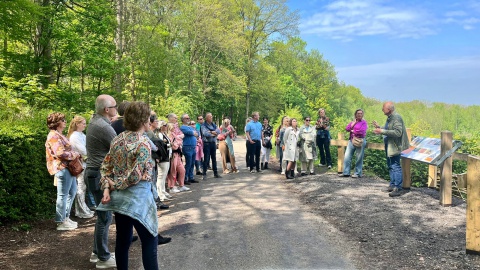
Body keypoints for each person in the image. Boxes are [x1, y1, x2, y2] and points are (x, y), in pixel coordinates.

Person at [97, 101, 159, 270]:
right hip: (138, 199)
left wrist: (107, 187)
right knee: (150, 240)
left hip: (120, 201)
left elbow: (105, 167)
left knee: (123, 241)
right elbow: (135, 176)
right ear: (143, 120)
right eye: (148, 117)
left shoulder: (117, 139)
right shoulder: (143, 142)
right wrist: (115, 185)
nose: (150, 120)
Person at [85, 94, 117, 268]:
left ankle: (97, 252)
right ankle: (103, 258)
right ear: (107, 109)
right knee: (104, 217)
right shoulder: (103, 126)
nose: (116, 109)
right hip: (99, 175)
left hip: (94, 173)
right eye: (115, 106)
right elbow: (119, 149)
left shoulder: (97, 122)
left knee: (102, 217)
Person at [45, 112, 80, 231]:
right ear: (56, 123)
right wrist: (74, 154)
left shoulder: (59, 134)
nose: (65, 122)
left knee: (72, 191)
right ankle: (61, 221)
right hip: (62, 168)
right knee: (63, 195)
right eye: (63, 120)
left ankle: (66, 217)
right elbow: (59, 153)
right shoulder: (53, 135)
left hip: (68, 168)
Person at [373, 101, 410, 197]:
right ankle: (392, 185)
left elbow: (398, 132)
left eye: (383, 108)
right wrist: (379, 128)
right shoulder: (390, 118)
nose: (382, 109)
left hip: (395, 146)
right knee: (390, 165)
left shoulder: (396, 117)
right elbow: (388, 129)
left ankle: (397, 188)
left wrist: (382, 131)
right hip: (390, 145)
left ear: (389, 109)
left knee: (395, 166)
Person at [67, 115, 95, 219]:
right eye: (83, 123)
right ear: (77, 124)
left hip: (84, 163)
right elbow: (83, 150)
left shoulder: (81, 134)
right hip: (80, 164)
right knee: (80, 187)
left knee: (83, 187)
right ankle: (80, 210)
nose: (85, 125)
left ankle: (83, 208)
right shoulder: (75, 136)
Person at [341, 109, 368, 178]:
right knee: (347, 156)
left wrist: (353, 131)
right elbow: (347, 129)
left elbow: (362, 131)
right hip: (351, 140)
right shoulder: (353, 122)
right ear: (355, 114)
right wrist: (353, 124)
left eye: (361, 113)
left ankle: (358, 173)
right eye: (358, 113)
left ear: (362, 115)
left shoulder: (364, 122)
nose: (359, 114)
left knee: (359, 157)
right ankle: (346, 172)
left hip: (360, 140)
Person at [166, 123, 190, 193]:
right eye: (173, 127)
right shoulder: (169, 135)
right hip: (173, 154)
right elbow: (174, 146)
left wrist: (178, 143)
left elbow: (179, 142)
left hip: (178, 154)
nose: (174, 128)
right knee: (173, 171)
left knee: (182, 170)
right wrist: (178, 143)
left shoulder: (174, 135)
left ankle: (181, 185)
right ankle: (171, 186)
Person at [200, 112, 222, 179]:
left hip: (213, 143)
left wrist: (211, 132)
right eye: (210, 117)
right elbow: (206, 134)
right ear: (206, 118)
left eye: (211, 116)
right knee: (206, 159)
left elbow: (218, 131)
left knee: (214, 158)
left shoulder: (213, 124)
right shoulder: (203, 125)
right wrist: (213, 133)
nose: (211, 118)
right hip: (207, 144)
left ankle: (215, 173)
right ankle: (204, 174)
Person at [180, 114, 199, 184]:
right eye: (186, 118)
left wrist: (194, 133)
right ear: (183, 120)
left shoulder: (190, 127)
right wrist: (193, 133)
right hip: (187, 147)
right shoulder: (182, 127)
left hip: (193, 147)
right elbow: (190, 133)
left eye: (189, 118)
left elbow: (197, 133)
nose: (188, 119)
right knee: (188, 163)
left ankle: (191, 177)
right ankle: (185, 178)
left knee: (192, 163)